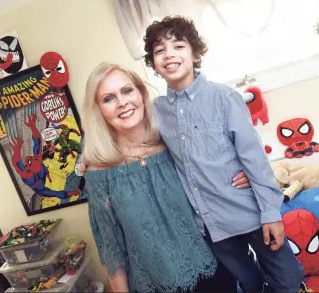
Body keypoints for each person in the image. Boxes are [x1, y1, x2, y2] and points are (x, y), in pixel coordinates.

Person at [143, 15, 303, 292]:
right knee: (250, 281)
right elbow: (135, 143)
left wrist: (270, 212)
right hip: (210, 223)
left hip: (248, 211)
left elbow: (253, 157)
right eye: (160, 50)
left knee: (288, 278)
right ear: (154, 65)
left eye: (178, 46)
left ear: (195, 54)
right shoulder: (157, 111)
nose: (169, 54)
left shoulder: (223, 98)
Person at [79, 62, 251, 292]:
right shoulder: (98, 174)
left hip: (215, 273)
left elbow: (218, 164)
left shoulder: (174, 143)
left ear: (141, 93)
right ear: (98, 110)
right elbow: (113, 251)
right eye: (108, 98)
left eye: (127, 90)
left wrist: (246, 174)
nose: (122, 102)